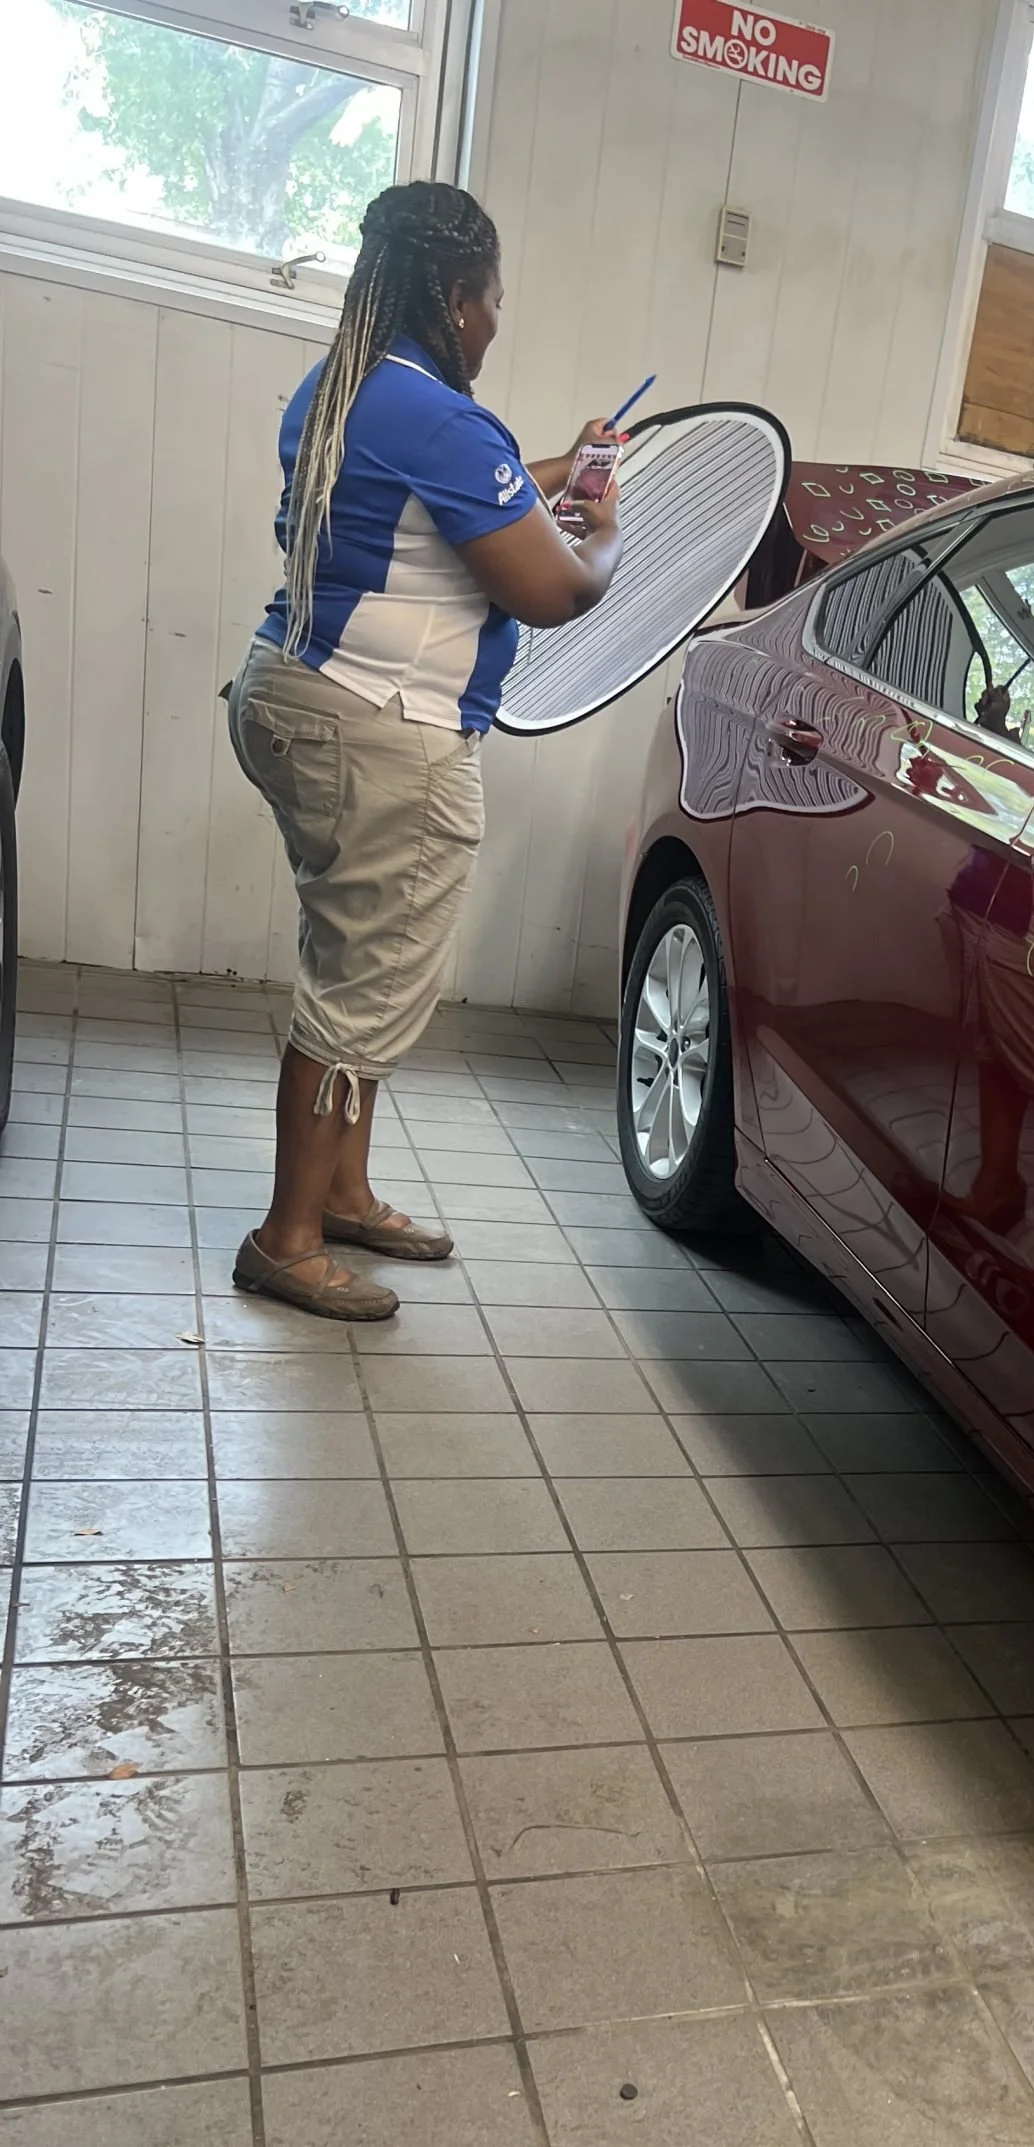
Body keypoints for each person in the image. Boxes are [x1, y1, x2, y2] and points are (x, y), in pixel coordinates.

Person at [226, 180, 623, 1320]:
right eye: (494, 304)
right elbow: (552, 587)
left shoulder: (345, 386)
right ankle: (287, 1236)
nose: (498, 325)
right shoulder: (444, 417)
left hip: (294, 692)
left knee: (360, 951)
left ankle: (342, 1190)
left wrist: (563, 468)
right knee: (364, 973)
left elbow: (453, 490)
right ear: (454, 300)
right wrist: (609, 533)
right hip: (380, 724)